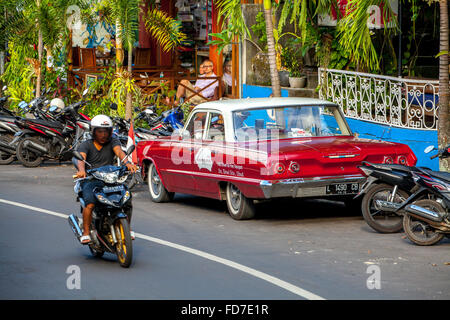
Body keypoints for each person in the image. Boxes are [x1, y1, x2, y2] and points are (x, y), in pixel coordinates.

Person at [75, 115, 137, 244]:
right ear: (93, 131)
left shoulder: (113, 142)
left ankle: (128, 227)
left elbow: (119, 152)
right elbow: (80, 159)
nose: (103, 135)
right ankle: (86, 232)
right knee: (90, 203)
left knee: (126, 198)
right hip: (91, 179)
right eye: (100, 131)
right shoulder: (86, 145)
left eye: (106, 131)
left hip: (110, 178)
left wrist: (127, 163)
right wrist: (81, 171)